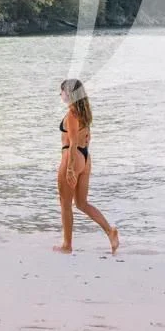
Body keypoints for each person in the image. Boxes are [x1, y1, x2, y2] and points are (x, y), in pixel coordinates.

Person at [55, 77, 120, 254]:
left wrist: (70, 168)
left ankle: (67, 245)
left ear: (69, 93)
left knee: (65, 203)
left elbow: (73, 142)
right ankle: (110, 232)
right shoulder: (84, 113)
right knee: (82, 203)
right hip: (85, 158)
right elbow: (86, 138)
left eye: (62, 91)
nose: (60, 94)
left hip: (72, 156)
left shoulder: (72, 114)